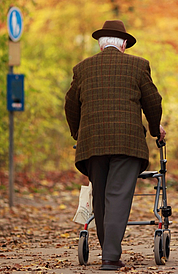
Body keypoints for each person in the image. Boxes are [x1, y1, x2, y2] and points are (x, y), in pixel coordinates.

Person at [64, 20, 166, 270]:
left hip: (92, 143)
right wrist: (155, 130)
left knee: (100, 197)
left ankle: (108, 248)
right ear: (123, 46)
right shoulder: (138, 65)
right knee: (118, 196)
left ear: (100, 47)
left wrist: (78, 134)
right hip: (127, 141)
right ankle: (110, 256)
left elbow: (70, 104)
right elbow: (153, 101)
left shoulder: (82, 68)